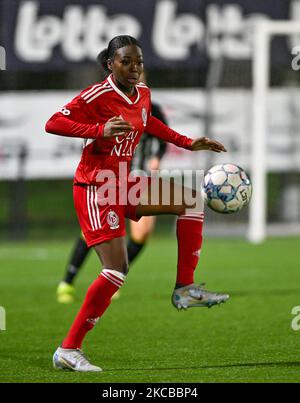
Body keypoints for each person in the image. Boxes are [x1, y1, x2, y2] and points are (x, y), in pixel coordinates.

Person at [45, 35, 229, 372]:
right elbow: (53, 122)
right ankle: (68, 350)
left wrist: (188, 143)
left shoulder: (143, 93)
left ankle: (184, 288)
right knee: (116, 269)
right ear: (110, 64)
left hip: (124, 182)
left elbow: (148, 122)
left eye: (139, 61)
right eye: (126, 61)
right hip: (96, 187)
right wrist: (99, 130)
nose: (134, 68)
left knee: (191, 202)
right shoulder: (97, 94)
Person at [56, 74, 168, 304]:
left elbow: (163, 139)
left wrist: (157, 157)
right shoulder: (104, 102)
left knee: (142, 233)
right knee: (95, 232)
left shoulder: (151, 107)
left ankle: (114, 277)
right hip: (110, 177)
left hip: (140, 177)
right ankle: (67, 282)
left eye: (140, 70)